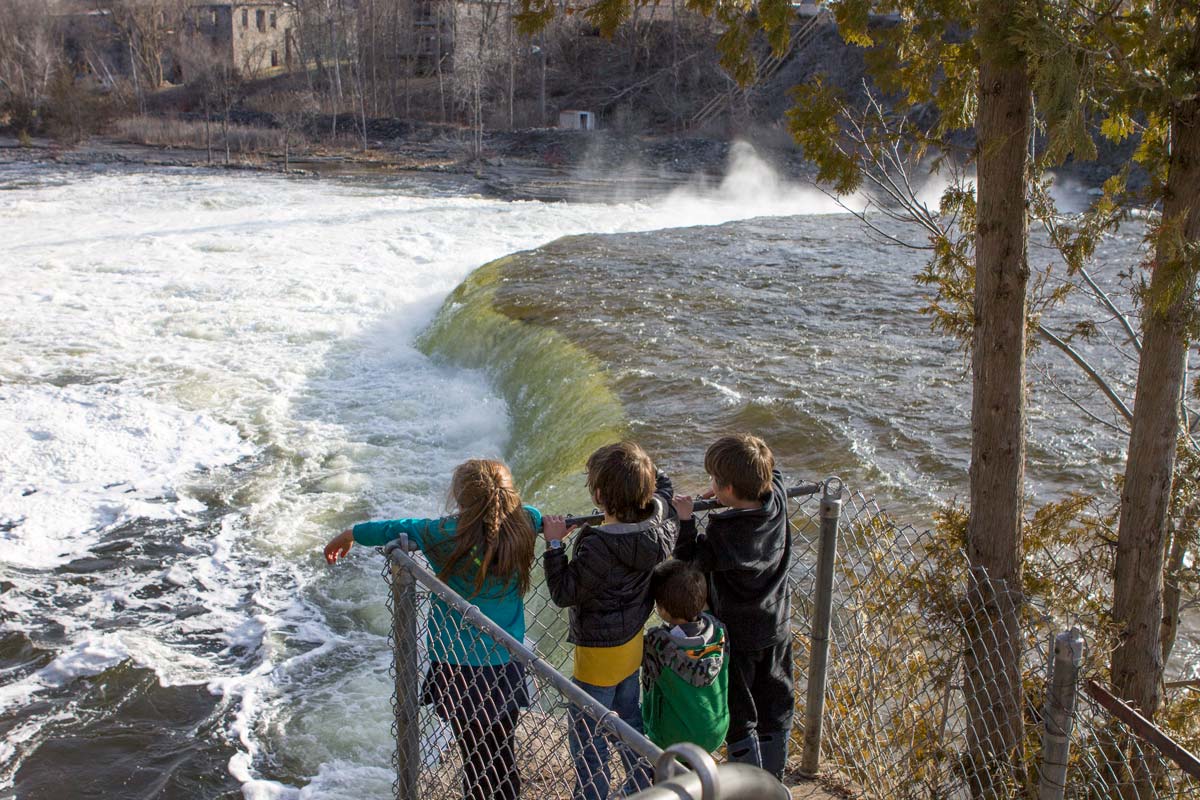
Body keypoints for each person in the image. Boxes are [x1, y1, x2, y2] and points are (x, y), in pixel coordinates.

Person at [324, 459, 550, 800]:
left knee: (473, 755)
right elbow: (535, 516)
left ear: (459, 499)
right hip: (506, 663)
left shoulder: (442, 534)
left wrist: (351, 533)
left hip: (458, 668)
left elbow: (393, 528)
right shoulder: (526, 523)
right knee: (502, 750)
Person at [543, 441, 677, 800]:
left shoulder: (599, 544)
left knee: (589, 741)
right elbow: (665, 493)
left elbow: (564, 592)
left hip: (597, 659)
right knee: (630, 724)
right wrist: (648, 472)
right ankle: (640, 788)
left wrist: (555, 546)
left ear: (599, 495)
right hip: (632, 645)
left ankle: (593, 796)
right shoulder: (659, 529)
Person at [672, 433, 793, 780]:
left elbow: (689, 560)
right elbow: (772, 473)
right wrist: (732, 484)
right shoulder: (777, 502)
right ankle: (774, 779)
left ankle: (747, 785)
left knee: (740, 715)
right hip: (776, 626)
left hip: (737, 638)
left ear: (725, 490)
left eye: (714, 481)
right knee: (776, 706)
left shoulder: (726, 534)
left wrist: (685, 520)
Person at [641, 559, 729, 752]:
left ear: (661, 609)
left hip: (672, 739)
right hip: (715, 730)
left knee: (666, 778)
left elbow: (645, 681)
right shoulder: (719, 631)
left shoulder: (657, 644)